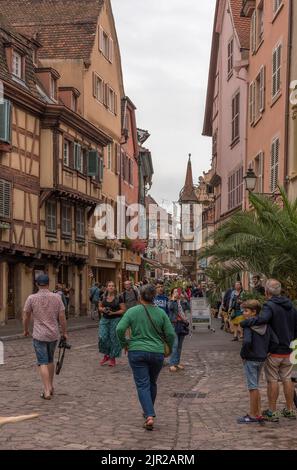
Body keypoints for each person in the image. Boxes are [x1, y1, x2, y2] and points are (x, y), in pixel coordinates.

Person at [116, 284, 175, 431]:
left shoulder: (132, 311)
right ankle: (148, 410)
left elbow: (120, 328)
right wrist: (168, 348)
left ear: (140, 296)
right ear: (154, 296)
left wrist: (125, 343)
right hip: (156, 352)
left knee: (143, 384)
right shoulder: (161, 313)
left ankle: (149, 415)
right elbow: (170, 333)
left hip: (136, 351)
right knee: (152, 382)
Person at [241, 279, 297, 422]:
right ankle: (290, 409)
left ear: (266, 292)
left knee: (272, 380)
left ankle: (272, 411)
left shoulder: (269, 306)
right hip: (289, 348)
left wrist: (245, 323)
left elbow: (262, 320)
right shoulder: (290, 306)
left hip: (275, 349)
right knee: (287, 378)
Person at [23, 274, 67, 400]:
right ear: (49, 284)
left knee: (42, 362)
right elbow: (62, 317)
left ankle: (46, 390)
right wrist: (64, 332)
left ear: (37, 284)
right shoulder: (57, 297)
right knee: (50, 360)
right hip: (53, 334)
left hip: (39, 334)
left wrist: (26, 330)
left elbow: (26, 316)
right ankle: (51, 386)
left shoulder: (31, 298)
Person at [238, 300, 279, 424]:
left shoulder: (248, 326)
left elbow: (246, 342)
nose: (244, 313)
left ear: (254, 312)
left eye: (246, 311)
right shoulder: (266, 325)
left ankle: (252, 415)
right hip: (261, 358)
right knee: (255, 385)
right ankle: (258, 412)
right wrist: (268, 352)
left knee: (252, 387)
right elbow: (275, 341)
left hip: (250, 358)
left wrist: (243, 354)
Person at [98, 281, 126, 367]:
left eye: (112, 286)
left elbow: (123, 310)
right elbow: (99, 307)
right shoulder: (103, 296)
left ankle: (112, 357)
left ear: (115, 288)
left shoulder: (119, 297)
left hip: (115, 319)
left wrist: (113, 313)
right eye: (109, 286)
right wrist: (103, 310)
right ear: (106, 287)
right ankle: (106, 355)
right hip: (105, 319)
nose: (111, 287)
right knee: (102, 337)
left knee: (113, 338)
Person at [168, 288, 190, 372]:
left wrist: (184, 299)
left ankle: (177, 362)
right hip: (174, 324)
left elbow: (188, 307)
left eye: (178, 291)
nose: (177, 293)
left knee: (180, 346)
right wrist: (173, 299)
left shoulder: (181, 302)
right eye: (175, 292)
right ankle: (172, 364)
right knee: (175, 345)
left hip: (182, 324)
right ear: (172, 293)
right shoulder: (171, 301)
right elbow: (170, 308)